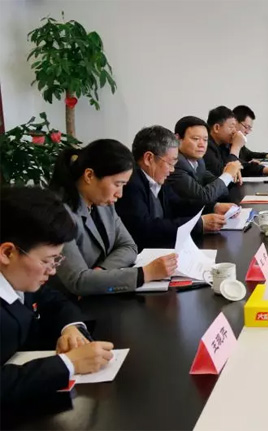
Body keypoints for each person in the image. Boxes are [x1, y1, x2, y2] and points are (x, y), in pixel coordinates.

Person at [1, 187, 115, 403]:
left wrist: (70, 329)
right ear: (8, 253)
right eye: (47, 261)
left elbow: (54, 300)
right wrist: (69, 364)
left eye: (56, 260)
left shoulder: (18, 278)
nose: (52, 271)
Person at [49, 139, 177, 296]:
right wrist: (145, 273)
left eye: (123, 185)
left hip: (99, 295)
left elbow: (129, 246)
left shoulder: (103, 203)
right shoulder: (58, 213)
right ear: (89, 175)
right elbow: (78, 281)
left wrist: (102, 271)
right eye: (117, 184)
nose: (120, 194)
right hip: (68, 302)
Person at [116, 125, 238, 250]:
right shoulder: (129, 184)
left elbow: (178, 204)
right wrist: (198, 224)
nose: (172, 169)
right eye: (170, 163)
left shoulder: (157, 176)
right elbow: (145, 228)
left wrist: (214, 207)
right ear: (149, 158)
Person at [167, 116, 242, 206]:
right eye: (196, 139)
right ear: (178, 139)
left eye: (205, 140)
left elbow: (220, 189)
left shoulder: (199, 161)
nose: (202, 144)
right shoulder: (175, 164)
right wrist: (228, 174)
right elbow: (203, 196)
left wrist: (230, 174)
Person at [203, 106, 268, 178]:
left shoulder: (222, 145)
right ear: (217, 128)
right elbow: (225, 174)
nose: (234, 131)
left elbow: (241, 166)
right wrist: (236, 147)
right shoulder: (206, 147)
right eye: (231, 127)